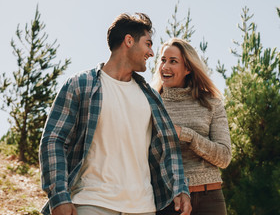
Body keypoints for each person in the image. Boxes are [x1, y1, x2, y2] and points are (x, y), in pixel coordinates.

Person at [39, 13, 191, 215]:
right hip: (91, 203)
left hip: (143, 208)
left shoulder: (152, 97)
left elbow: (169, 149)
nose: (151, 52)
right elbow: (53, 140)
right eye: (148, 44)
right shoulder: (80, 85)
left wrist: (180, 188)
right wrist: (58, 197)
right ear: (129, 41)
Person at [152, 38, 232, 215]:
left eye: (173, 61)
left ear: (188, 68)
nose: (165, 66)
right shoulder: (151, 105)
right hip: (168, 199)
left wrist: (188, 135)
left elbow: (224, 157)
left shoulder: (212, 104)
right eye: (162, 60)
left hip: (209, 197)